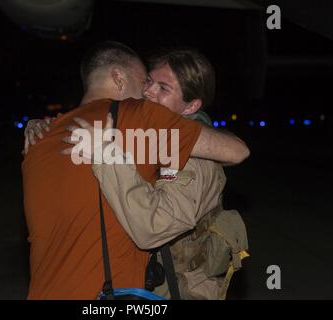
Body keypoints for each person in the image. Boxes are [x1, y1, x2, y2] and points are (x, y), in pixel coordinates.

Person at [22, 41, 249, 299]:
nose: (149, 92)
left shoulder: (193, 157)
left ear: (191, 107)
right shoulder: (139, 125)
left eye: (163, 88)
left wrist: (106, 154)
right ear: (119, 78)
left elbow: (153, 227)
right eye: (148, 81)